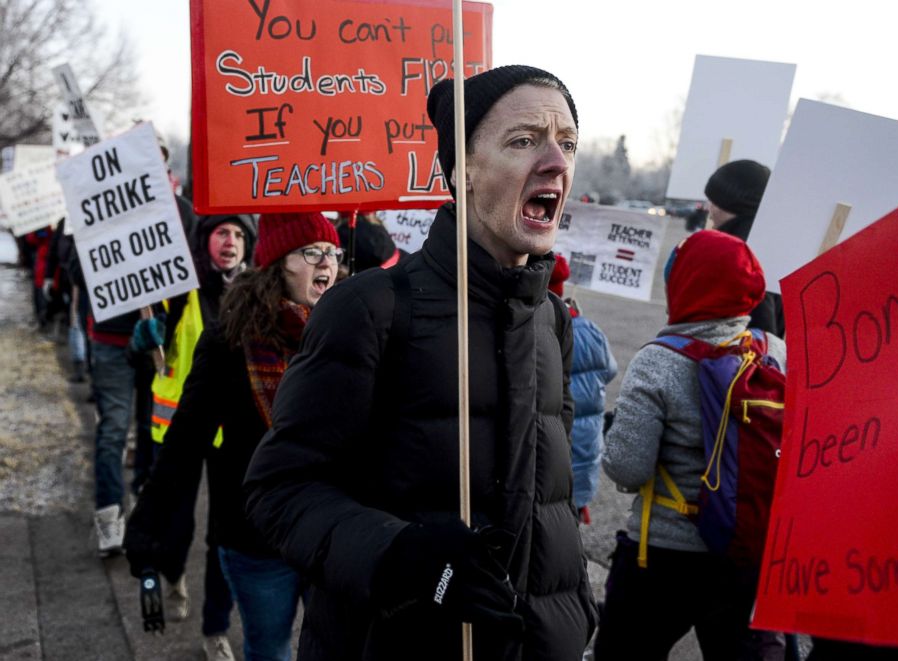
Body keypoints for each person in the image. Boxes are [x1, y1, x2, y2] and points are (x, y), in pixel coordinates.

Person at [244, 65, 597, 661]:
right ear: (460, 170)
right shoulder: (370, 309)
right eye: (523, 140)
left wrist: (575, 612)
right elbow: (278, 490)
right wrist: (400, 557)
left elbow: (550, 504)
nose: (556, 162)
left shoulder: (554, 322)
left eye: (566, 143)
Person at [125, 211, 341, 661]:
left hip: (331, 530)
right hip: (255, 534)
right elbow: (186, 438)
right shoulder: (230, 339)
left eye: (333, 253)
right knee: (270, 648)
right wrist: (147, 523)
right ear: (278, 262)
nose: (327, 263)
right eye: (312, 252)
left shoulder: (348, 332)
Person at [594, 230, 786, 660]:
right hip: (748, 549)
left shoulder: (659, 359)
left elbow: (628, 468)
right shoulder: (775, 351)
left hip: (662, 554)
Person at [128, 213, 257, 652]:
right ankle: (172, 571)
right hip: (179, 428)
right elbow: (146, 349)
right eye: (223, 232)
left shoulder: (254, 293)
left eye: (240, 234)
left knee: (221, 534)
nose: (231, 241)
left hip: (230, 436)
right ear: (205, 241)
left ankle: (215, 629)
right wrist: (143, 338)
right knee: (177, 523)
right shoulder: (178, 289)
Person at [548, 254, 617, 524]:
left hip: (549, 466)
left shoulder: (539, 329)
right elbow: (610, 371)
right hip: (583, 460)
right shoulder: (591, 331)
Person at [703, 159, 785, 336]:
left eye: (713, 201)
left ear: (730, 202)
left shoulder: (740, 255)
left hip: (732, 360)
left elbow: (762, 331)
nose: (709, 209)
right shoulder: (772, 244)